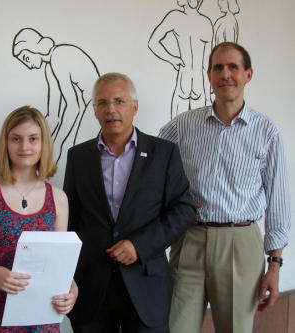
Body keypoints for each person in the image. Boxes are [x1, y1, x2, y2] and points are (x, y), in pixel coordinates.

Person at [159, 42, 291, 333]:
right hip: (190, 240)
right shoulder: (183, 126)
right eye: (218, 67)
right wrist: (172, 208)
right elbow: (154, 170)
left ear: (248, 74)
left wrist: (275, 266)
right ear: (208, 75)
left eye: (233, 67)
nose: (225, 74)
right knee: (176, 327)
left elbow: (278, 205)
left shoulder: (266, 131)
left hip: (240, 243)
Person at [63, 72, 196, 333]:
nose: (111, 110)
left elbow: (183, 210)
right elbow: (71, 220)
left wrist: (139, 245)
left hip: (145, 283)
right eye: (102, 103)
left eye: (119, 101)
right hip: (92, 288)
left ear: (135, 107)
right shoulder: (78, 156)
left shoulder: (164, 153)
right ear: (94, 111)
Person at [0, 106, 78, 332]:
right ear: (6, 143)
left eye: (33, 139)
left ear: (43, 144)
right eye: (16, 139)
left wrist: (72, 289)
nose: (24, 146)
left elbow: (60, 265)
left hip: (39, 318)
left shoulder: (58, 198)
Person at [12, 28, 100, 163]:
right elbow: (54, 115)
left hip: (95, 107)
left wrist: (57, 143)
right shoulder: (49, 67)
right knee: (61, 148)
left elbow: (73, 107)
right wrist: (37, 140)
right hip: (86, 106)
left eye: (26, 58)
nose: (28, 65)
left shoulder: (59, 56)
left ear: (33, 48)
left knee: (71, 150)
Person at [148, 0, 213, 117]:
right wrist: (172, 59)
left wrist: (208, 97)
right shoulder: (175, 17)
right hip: (183, 83)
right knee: (174, 132)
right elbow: (153, 42)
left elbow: (207, 64)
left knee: (199, 133)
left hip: (200, 89)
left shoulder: (206, 22)